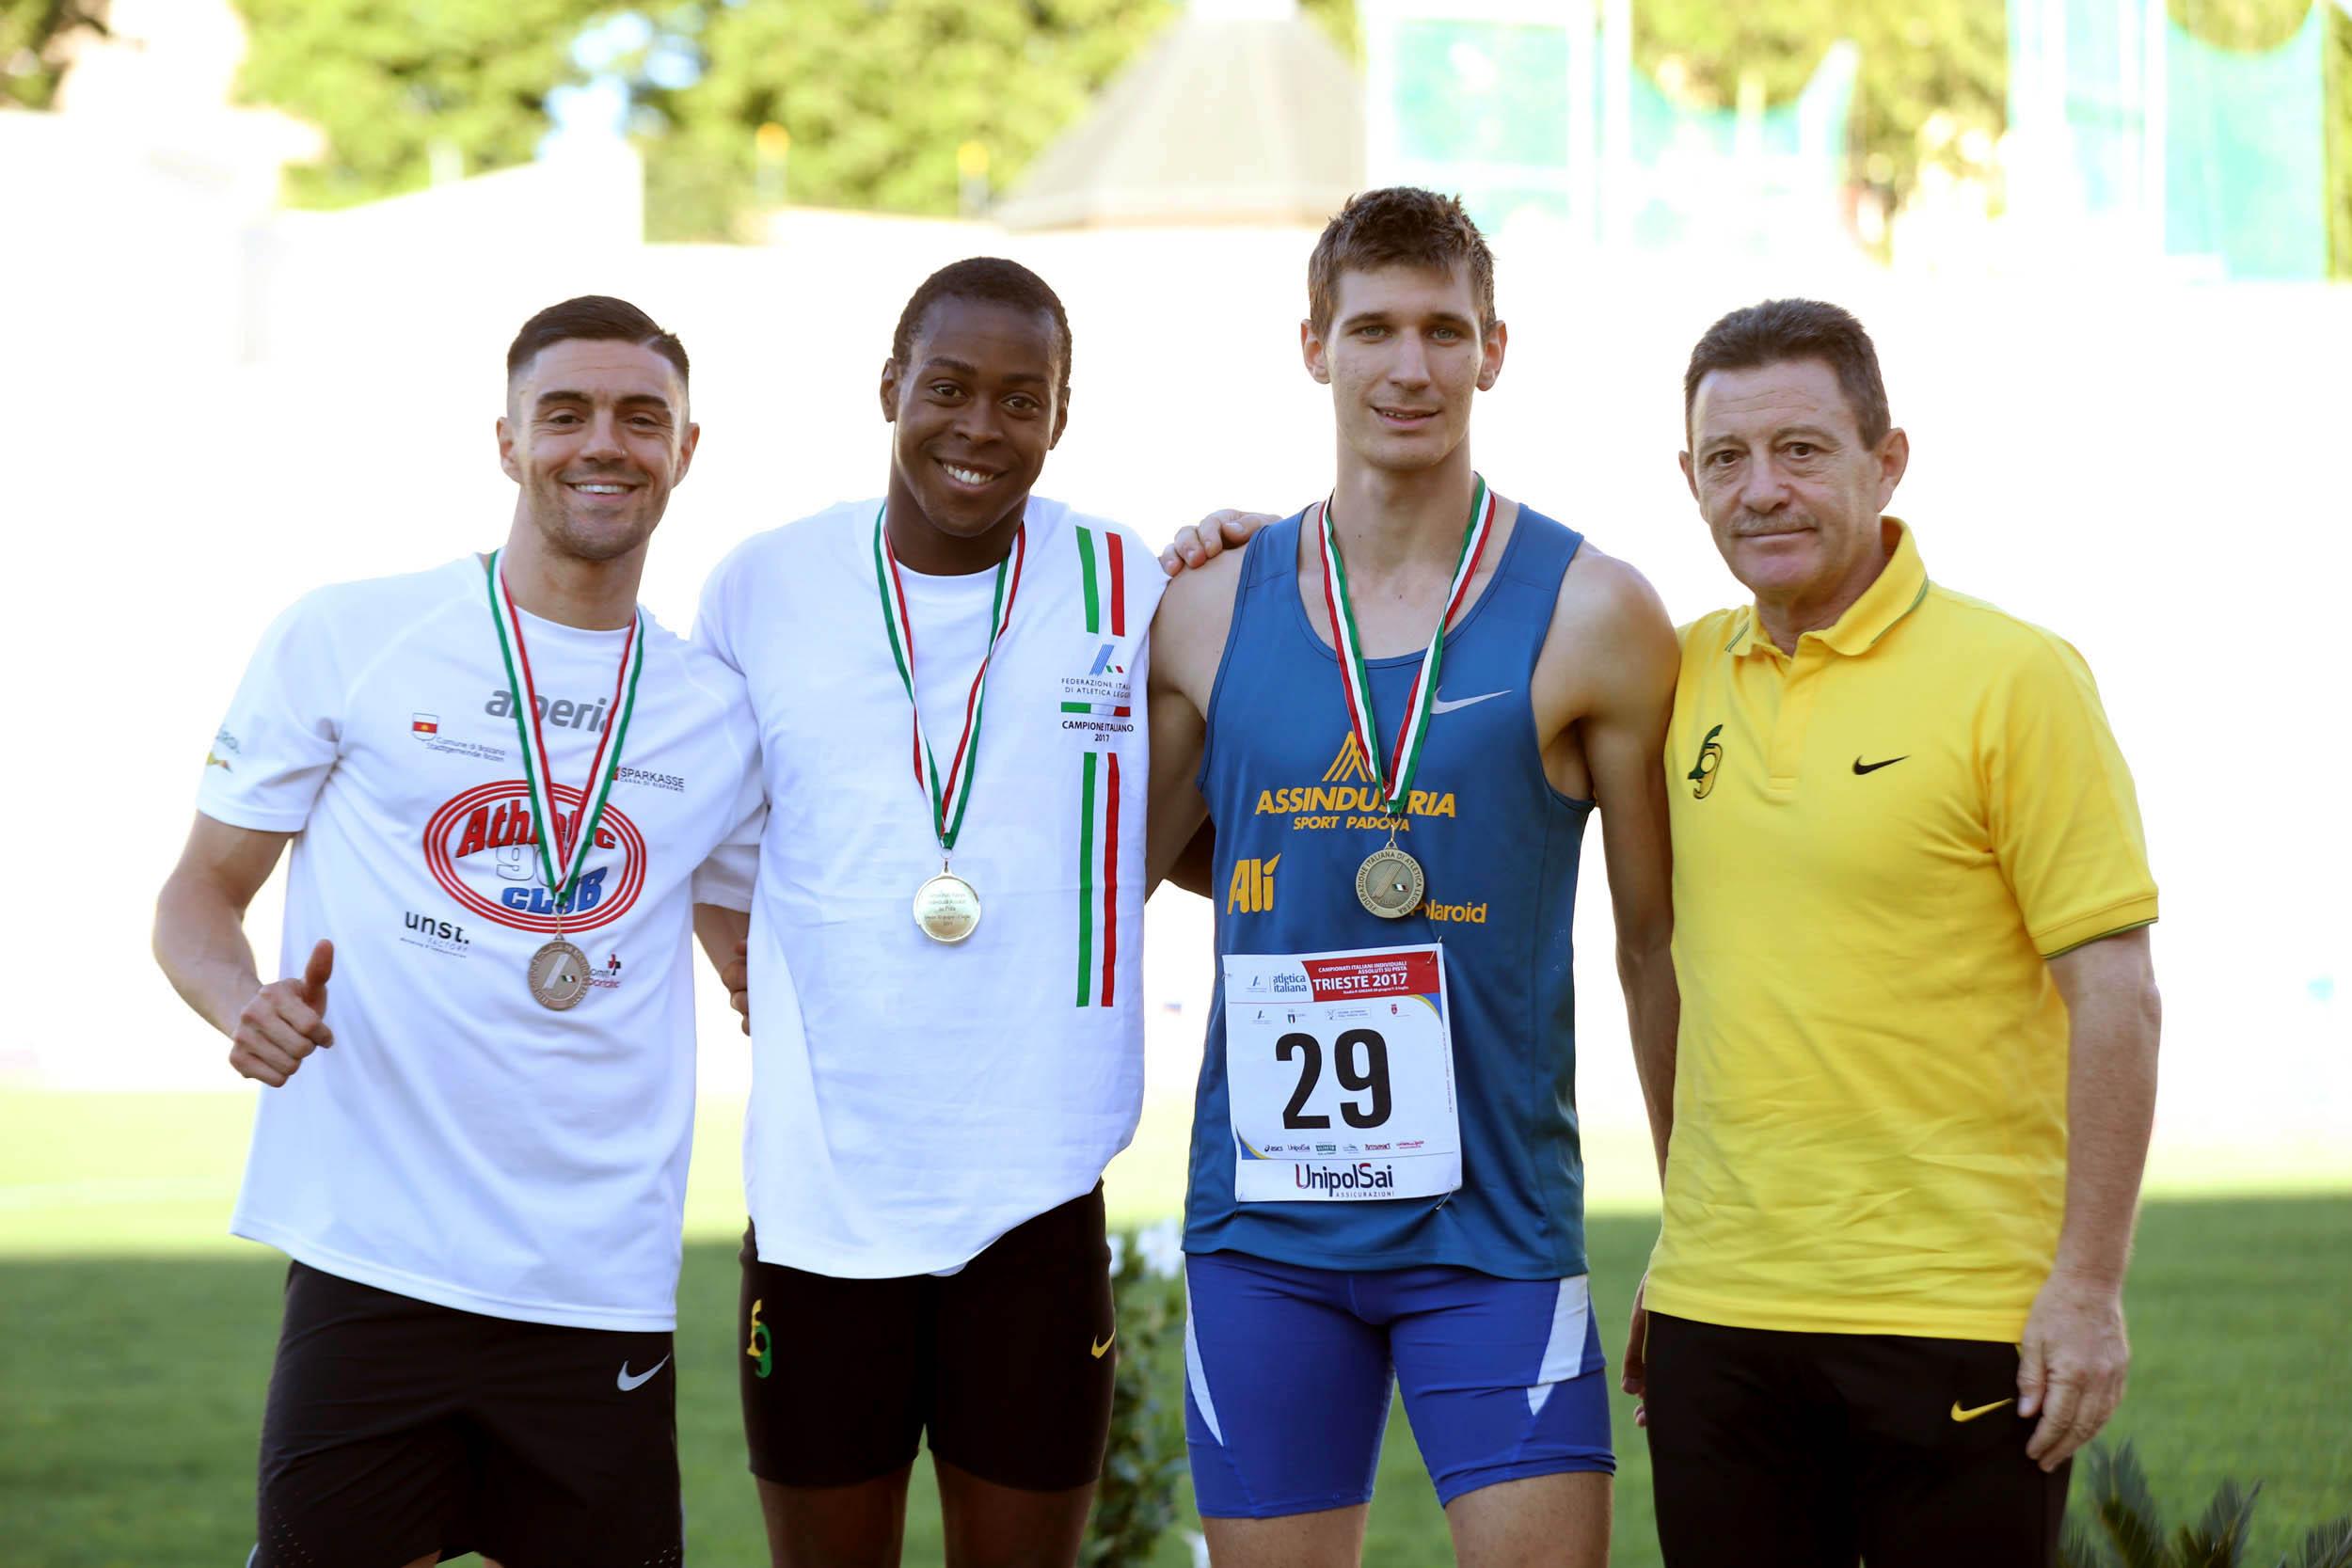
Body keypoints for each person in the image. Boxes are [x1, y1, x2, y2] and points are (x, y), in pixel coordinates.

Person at [151, 295, 764, 1568]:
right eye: (566, 414)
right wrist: (241, 1003)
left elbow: (752, 952)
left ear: (686, 450)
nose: (604, 444)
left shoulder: (719, 713)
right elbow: (198, 895)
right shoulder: (352, 636)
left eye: (641, 417)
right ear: (507, 441)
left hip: (599, 1284)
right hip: (374, 1264)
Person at [1144, 187, 1680, 1568]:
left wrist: (1698, 1225)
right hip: (1264, 1238)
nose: (1410, 367)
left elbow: (1655, 948)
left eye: (1444, 330)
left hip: (1491, 1236)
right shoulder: (1205, 605)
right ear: (1312, 347)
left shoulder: (1595, 612)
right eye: (1372, 329)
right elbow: (1129, 870)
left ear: (1495, 351)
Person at [691, 257, 1250, 1568]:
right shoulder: (763, 584)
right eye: (947, 388)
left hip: (1035, 1190)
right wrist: (763, 979)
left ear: (1062, 415)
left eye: (1020, 398)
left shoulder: (1132, 584)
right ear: (890, 386)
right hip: (824, 1202)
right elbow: (711, 848)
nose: (980, 427)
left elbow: (1206, 834)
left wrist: (1268, 562)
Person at [1624, 297, 2163, 1568]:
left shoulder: (2016, 676)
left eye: (1801, 450)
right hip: (1719, 1319)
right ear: (1689, 479)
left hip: (1958, 1320)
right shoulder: (1670, 674)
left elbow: (2118, 997)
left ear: (1888, 460)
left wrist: (2087, 1288)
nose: (1762, 489)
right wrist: (1283, 551)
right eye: (1726, 458)